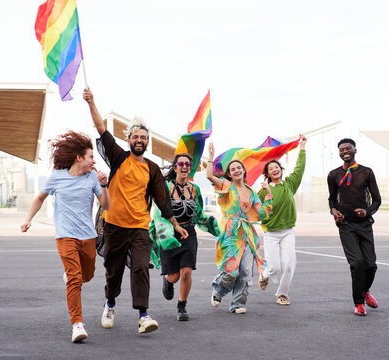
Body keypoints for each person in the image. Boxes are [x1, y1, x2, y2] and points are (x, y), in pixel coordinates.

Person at [83, 88, 188, 334]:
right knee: (113, 272)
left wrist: (175, 223)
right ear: (128, 140)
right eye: (135, 136)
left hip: (139, 227)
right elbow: (100, 128)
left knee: (141, 267)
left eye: (143, 137)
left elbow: (163, 200)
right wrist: (92, 101)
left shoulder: (151, 169)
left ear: (147, 142)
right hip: (114, 226)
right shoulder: (118, 157)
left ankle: (143, 315)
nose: (139, 140)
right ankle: (110, 303)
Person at [21, 131, 111, 343]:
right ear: (79, 157)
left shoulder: (92, 178)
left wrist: (105, 185)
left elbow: (106, 205)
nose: (93, 161)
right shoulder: (57, 177)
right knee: (74, 278)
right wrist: (28, 219)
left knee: (86, 275)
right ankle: (77, 324)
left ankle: (73, 276)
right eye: (91, 156)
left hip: (88, 236)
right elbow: (40, 197)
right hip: (65, 236)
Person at [149, 153, 220, 321]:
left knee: (186, 272)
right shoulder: (166, 188)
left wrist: (214, 226)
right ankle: (168, 280)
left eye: (187, 164)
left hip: (189, 233)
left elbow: (199, 213)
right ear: (175, 168)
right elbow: (159, 214)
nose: (184, 167)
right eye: (181, 164)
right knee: (175, 276)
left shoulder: (195, 189)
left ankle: (182, 305)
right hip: (168, 234)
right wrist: (167, 232)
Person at [206, 142, 273, 314]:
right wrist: (211, 157)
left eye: (239, 168)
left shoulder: (252, 192)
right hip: (230, 232)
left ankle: (238, 304)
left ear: (244, 171)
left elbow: (262, 213)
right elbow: (209, 176)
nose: (236, 171)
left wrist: (269, 195)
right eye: (233, 169)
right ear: (229, 174)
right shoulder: (226, 186)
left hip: (247, 233)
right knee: (230, 270)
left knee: (244, 271)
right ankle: (218, 290)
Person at [327, 138, 381, 316]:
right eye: (341, 149)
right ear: (339, 153)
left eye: (348, 148)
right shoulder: (334, 174)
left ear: (355, 150)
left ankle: (365, 290)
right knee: (356, 263)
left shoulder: (366, 172)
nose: (345, 151)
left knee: (371, 265)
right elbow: (332, 199)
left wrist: (367, 212)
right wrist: (334, 212)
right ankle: (358, 303)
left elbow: (377, 200)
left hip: (364, 224)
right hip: (346, 225)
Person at [257, 135, 307, 306]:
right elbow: (256, 210)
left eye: (276, 167)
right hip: (270, 234)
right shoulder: (263, 191)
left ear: (281, 170)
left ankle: (282, 294)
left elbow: (299, 169)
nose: (274, 170)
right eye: (271, 169)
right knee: (274, 267)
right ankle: (264, 275)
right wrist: (264, 192)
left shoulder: (290, 185)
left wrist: (302, 148)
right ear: (267, 174)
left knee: (289, 264)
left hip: (287, 232)